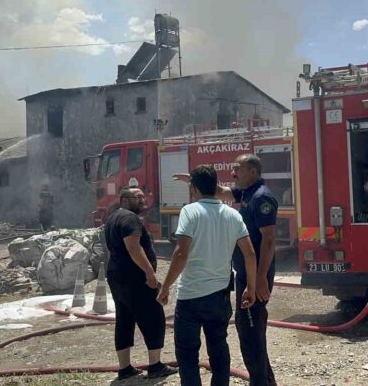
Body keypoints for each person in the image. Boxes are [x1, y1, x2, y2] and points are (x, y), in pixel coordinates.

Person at [174, 153, 279, 386]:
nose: (233, 173)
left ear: (253, 171)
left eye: (238, 168)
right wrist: (194, 180)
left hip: (255, 276)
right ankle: (265, 380)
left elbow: (269, 241)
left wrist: (259, 280)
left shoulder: (262, 198)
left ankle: (261, 382)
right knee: (246, 330)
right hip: (244, 276)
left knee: (252, 333)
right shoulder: (248, 193)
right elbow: (220, 192)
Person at [158, 165, 258, 386]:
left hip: (190, 297)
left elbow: (181, 252)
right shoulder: (233, 214)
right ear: (216, 186)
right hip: (219, 297)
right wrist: (251, 288)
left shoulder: (189, 211)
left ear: (193, 189)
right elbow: (250, 254)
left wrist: (165, 287)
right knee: (219, 348)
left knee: (187, 354)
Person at [104, 187, 177, 380]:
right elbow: (134, 248)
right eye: (138, 197)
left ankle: (125, 368)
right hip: (134, 278)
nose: (143, 200)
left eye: (144, 196)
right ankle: (155, 366)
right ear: (124, 201)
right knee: (153, 317)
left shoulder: (113, 218)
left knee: (124, 319)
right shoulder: (130, 218)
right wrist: (150, 273)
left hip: (116, 275)